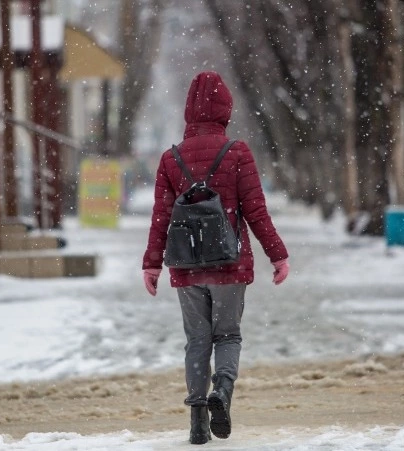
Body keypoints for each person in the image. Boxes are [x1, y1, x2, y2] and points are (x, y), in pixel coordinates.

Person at [142, 71, 290, 445]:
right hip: (229, 264)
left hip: (186, 266)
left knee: (197, 340)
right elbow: (255, 211)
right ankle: (221, 392)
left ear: (188, 112)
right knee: (227, 335)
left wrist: (152, 263)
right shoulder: (237, 152)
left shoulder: (170, 159)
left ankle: (197, 422)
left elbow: (161, 217)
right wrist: (278, 255)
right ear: (225, 109)